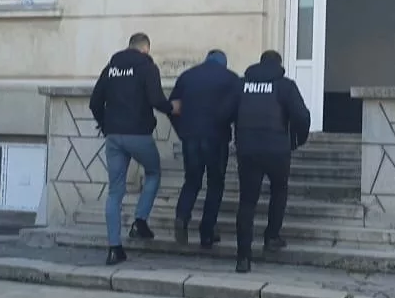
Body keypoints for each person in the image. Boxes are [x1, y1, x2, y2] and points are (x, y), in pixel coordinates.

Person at [89, 32, 180, 266]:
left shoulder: (111, 67)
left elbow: (94, 102)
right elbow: (156, 99)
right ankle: (140, 221)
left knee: (115, 192)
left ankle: (114, 248)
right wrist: (172, 108)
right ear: (145, 49)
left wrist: (105, 124)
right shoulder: (147, 67)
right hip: (138, 134)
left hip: (113, 137)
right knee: (153, 172)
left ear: (129, 46)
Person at [222, 49, 311, 273]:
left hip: (247, 150)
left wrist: (233, 136)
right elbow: (302, 116)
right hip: (277, 150)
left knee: (247, 202)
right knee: (279, 190)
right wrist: (297, 140)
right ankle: (271, 237)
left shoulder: (241, 85)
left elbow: (224, 113)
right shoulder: (285, 86)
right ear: (279, 65)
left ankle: (243, 258)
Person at [168, 49, 240, 248]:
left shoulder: (187, 76)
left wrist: (181, 130)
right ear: (223, 63)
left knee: (192, 181)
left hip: (190, 137)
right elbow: (237, 110)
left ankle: (182, 216)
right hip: (217, 138)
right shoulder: (231, 79)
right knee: (215, 184)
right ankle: (207, 232)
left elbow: (172, 107)